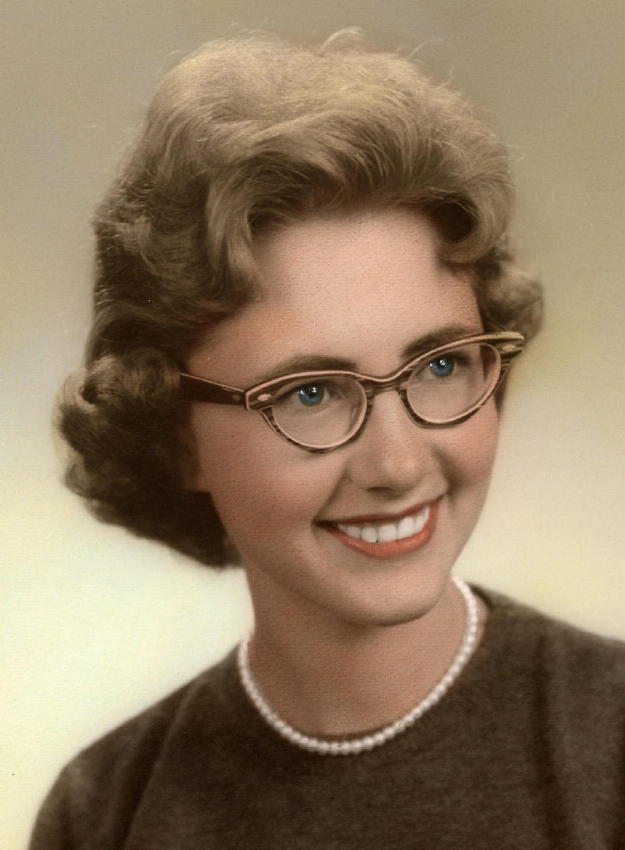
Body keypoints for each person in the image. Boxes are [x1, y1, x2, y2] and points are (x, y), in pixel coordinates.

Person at [30, 31, 625, 849]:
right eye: (308, 393)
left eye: (439, 366)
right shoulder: (102, 815)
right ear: (173, 431)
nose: (397, 463)